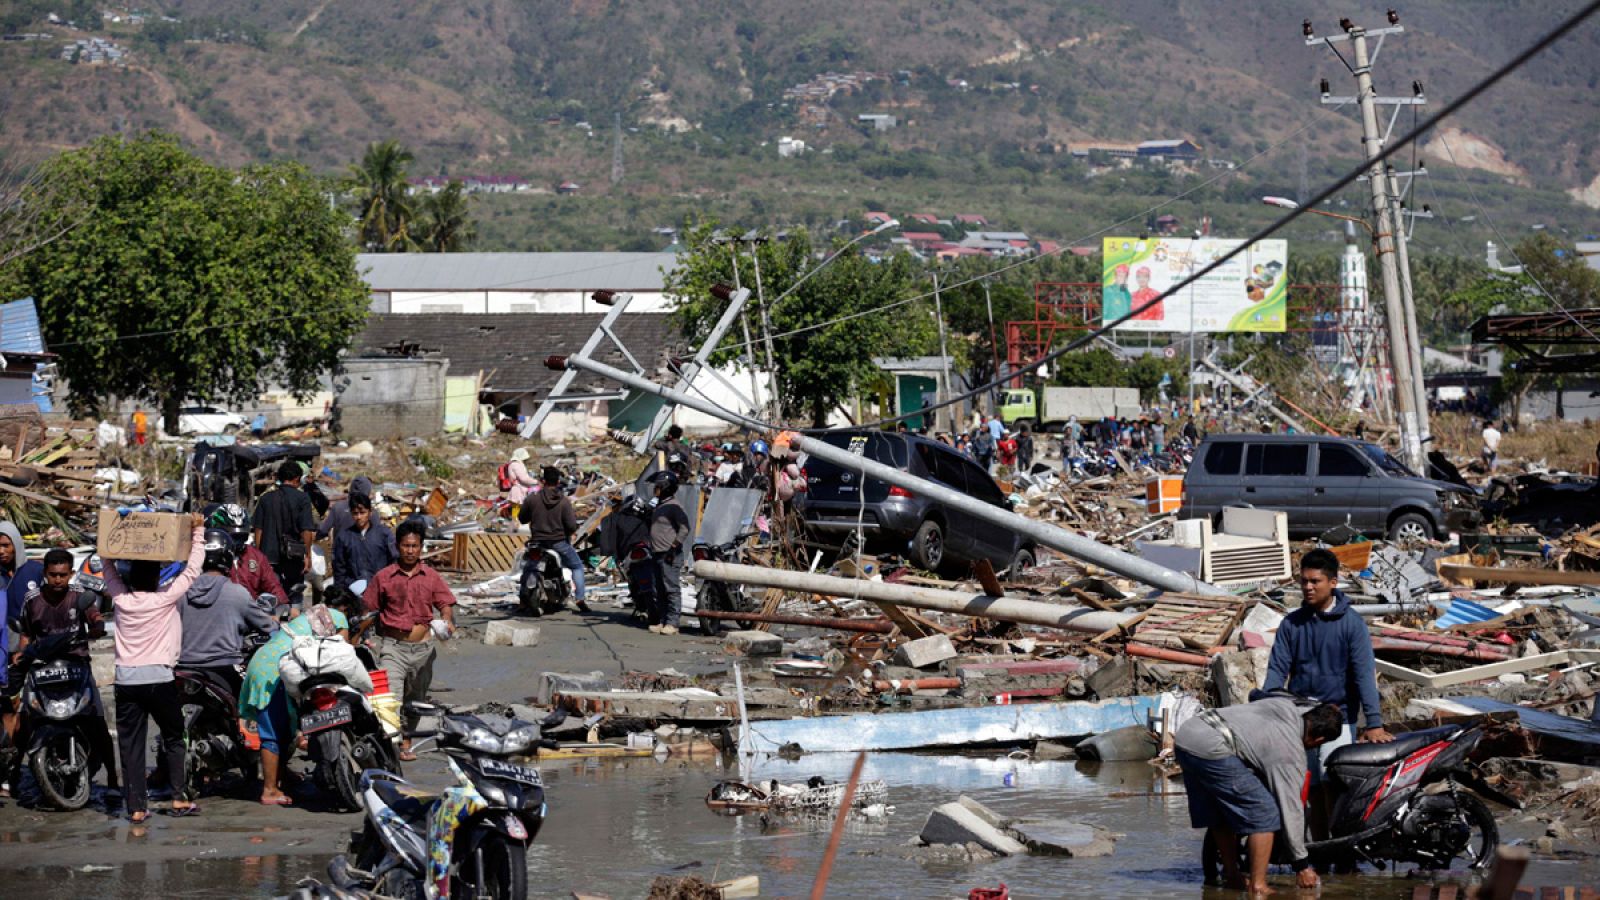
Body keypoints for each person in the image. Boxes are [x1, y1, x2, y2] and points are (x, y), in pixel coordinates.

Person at [1264, 549, 1393, 841]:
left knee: (1332, 784)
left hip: (1340, 719)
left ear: (1333, 582)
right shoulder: (1291, 624)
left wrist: (1374, 723)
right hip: (1300, 720)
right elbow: (1276, 671)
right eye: (1303, 581)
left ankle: (1340, 847)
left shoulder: (1352, 625)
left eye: (1315, 581)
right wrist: (1266, 705)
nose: (1308, 587)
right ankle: (1319, 848)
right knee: (1306, 787)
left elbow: (1363, 676)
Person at [1175, 696, 1344, 895]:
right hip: (1213, 747)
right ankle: (1258, 886)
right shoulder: (1289, 752)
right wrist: (1301, 864)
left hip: (1187, 736)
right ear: (1318, 740)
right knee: (1264, 813)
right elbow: (1291, 808)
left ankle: (1232, 876)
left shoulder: (1285, 705)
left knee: (1219, 814)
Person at [103, 512, 206, 822]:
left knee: (131, 745)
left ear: (131, 579)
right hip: (160, 678)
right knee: (174, 737)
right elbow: (192, 569)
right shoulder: (165, 598)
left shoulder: (120, 599)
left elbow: (107, 568)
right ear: (157, 579)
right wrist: (198, 532)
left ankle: (135, 808)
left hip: (126, 680)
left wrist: (108, 541)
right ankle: (178, 798)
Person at [12, 549, 119, 799]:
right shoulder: (32, 599)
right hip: (42, 667)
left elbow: (94, 617)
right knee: (26, 720)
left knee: (97, 722)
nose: (58, 580)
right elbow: (26, 633)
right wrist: (22, 651)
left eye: (63, 575)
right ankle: (12, 774)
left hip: (76, 664)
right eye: (52, 575)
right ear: (45, 574)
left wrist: (97, 627)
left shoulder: (80, 596)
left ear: (71, 573)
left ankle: (113, 777)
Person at [362, 520, 456, 761]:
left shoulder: (431, 577)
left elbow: (445, 603)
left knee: (415, 699)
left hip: (424, 649)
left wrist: (447, 619)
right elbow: (367, 610)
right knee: (391, 699)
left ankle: (406, 742)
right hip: (393, 648)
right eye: (406, 546)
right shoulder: (383, 577)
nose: (410, 550)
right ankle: (391, 746)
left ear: (421, 547)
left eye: (414, 546)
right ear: (398, 547)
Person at [240, 603, 348, 806]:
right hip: (275, 670)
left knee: (285, 729)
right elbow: (344, 653)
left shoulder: (309, 617)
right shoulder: (338, 618)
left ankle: (282, 776)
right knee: (272, 733)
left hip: (264, 663)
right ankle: (270, 790)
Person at [179, 530, 277, 713]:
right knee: (254, 709)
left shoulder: (180, 592)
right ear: (227, 557)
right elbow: (268, 626)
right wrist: (275, 622)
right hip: (224, 668)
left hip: (183, 667)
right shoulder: (238, 593)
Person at [518, 466, 589, 613]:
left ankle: (523, 600)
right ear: (558, 482)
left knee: (528, 568)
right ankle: (580, 599)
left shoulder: (532, 499)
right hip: (558, 543)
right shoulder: (564, 501)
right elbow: (570, 525)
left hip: (537, 542)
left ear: (543, 481)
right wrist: (570, 532)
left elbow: (522, 518)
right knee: (577, 567)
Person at [253, 461, 316, 604]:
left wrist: (258, 554)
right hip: (294, 555)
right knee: (294, 596)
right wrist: (308, 555)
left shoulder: (265, 498)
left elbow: (258, 529)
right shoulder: (303, 498)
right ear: (297, 479)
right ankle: (293, 618)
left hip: (268, 556)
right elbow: (306, 530)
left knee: (271, 595)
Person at [206, 503, 288, 606]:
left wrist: (282, 604)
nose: (238, 542)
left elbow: (273, 586)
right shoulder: (208, 558)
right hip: (222, 614)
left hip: (251, 614)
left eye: (242, 537)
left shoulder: (256, 557)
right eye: (234, 537)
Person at [642, 471, 690, 635]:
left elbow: (684, 529)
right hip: (656, 552)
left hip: (669, 553)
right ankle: (662, 621)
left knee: (671, 589)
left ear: (666, 488)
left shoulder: (674, 507)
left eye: (657, 487)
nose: (655, 490)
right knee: (659, 589)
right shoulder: (660, 506)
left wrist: (674, 547)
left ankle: (673, 623)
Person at [332, 493, 396, 602]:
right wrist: (341, 592)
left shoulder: (383, 534)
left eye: (362, 512)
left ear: (370, 512)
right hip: (354, 591)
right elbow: (339, 568)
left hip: (381, 589)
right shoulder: (344, 537)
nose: (359, 517)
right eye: (355, 513)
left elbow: (394, 561)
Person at [316, 476, 374, 544]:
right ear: (368, 490)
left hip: (341, 551)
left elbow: (323, 530)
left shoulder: (338, 507)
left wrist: (317, 537)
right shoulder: (371, 512)